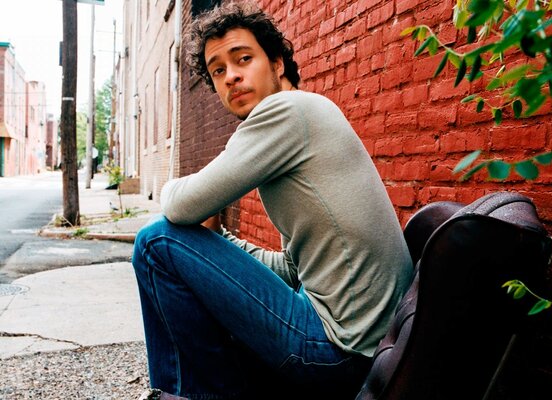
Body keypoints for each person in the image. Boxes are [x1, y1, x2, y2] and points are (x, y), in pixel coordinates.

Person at [133, 2, 413, 399]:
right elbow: (292, 269)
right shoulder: (307, 113)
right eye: (217, 71)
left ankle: (185, 393)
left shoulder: (287, 111)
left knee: (156, 242)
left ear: (277, 64)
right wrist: (220, 243)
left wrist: (168, 189)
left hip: (340, 352)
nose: (231, 76)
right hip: (359, 344)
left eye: (243, 59)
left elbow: (180, 206)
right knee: (172, 248)